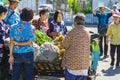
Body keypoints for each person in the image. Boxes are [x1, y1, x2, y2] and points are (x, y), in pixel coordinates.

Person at [61, 13, 90, 80]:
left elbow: (64, 45)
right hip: (84, 66)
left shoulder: (72, 32)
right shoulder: (87, 33)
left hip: (72, 66)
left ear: (75, 22)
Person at [8, 8, 36, 80]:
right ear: (31, 17)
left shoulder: (14, 27)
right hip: (28, 53)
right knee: (28, 76)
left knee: (15, 76)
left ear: (21, 16)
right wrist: (20, 43)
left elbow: (11, 42)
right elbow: (29, 42)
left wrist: (11, 55)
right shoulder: (32, 28)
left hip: (16, 53)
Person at [0, 5, 8, 79]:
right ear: (2, 14)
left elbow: (8, 30)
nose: (6, 16)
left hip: (3, 51)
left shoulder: (3, 23)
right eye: (6, 14)